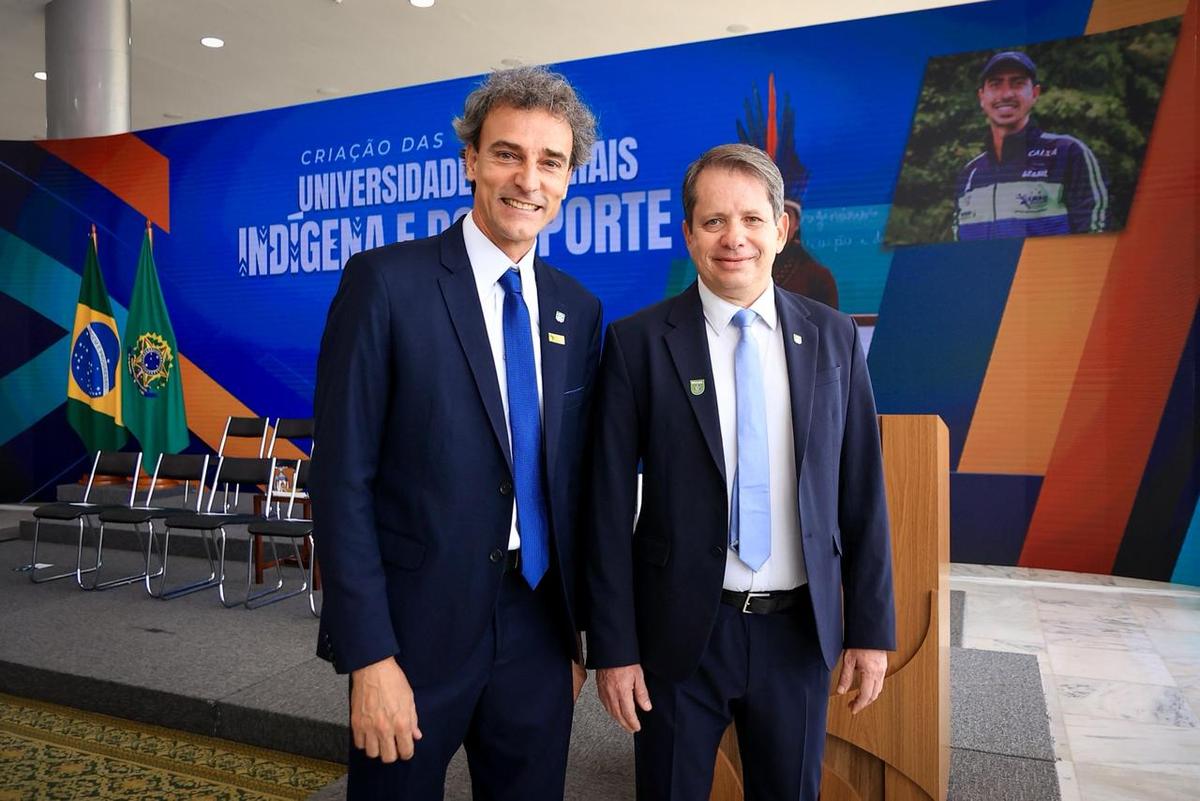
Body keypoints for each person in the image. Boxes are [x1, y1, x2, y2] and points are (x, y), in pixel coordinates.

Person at [311, 65, 602, 801]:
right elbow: (342, 483)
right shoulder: (384, 284)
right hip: (413, 635)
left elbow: (574, 483)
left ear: (569, 180)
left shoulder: (579, 309)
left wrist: (575, 638)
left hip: (537, 626)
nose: (527, 179)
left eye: (550, 161)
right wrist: (368, 657)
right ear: (470, 159)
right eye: (507, 153)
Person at [584, 143, 895, 800]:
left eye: (753, 220)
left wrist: (871, 629)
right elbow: (605, 508)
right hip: (677, 637)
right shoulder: (637, 344)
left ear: (782, 229)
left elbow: (862, 492)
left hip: (798, 635)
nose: (735, 239)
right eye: (714, 221)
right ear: (688, 233)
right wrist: (613, 646)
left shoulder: (835, 338)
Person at [955, 50, 1110, 240]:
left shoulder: (1068, 152)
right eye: (995, 84)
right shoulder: (970, 172)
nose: (1006, 94)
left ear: (1035, 93)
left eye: (1018, 83)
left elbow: (1095, 238)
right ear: (982, 97)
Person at [772, 198, 839, 309]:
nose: (780, 224)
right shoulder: (745, 268)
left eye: (786, 215)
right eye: (774, 214)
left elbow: (828, 324)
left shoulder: (818, 277)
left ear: (797, 224)